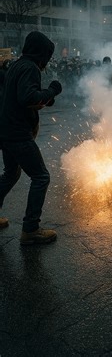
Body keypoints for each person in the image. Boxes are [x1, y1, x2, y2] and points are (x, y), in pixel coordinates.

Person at [0, 31, 62, 243]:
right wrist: (51, 91)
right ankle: (30, 230)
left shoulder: (18, 65)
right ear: (41, 54)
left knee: (11, 174)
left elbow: (23, 97)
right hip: (18, 134)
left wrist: (44, 98)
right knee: (41, 177)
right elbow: (28, 97)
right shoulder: (30, 68)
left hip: (6, 131)